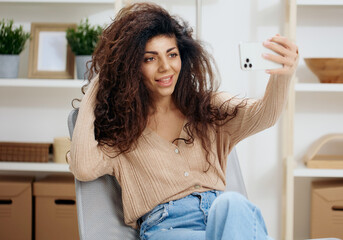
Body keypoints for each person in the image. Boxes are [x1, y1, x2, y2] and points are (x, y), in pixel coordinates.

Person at [67, 2, 298, 240]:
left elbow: (264, 115)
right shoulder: (120, 130)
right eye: (150, 59)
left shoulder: (209, 109)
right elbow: (83, 167)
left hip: (224, 221)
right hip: (169, 229)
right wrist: (103, 79)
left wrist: (284, 74)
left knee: (233, 204)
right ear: (130, 67)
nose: (165, 67)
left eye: (172, 54)